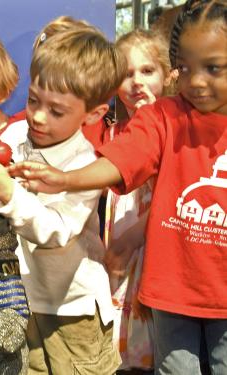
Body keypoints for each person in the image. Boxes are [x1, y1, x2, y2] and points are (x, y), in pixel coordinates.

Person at [8, 1, 227, 373]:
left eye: (213, 68)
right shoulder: (164, 117)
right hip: (173, 292)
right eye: (185, 69)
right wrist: (65, 179)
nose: (196, 82)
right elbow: (121, 160)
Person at [0, 28, 127, 374]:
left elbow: (56, 231)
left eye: (56, 111)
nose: (37, 116)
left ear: (92, 115)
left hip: (73, 310)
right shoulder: (15, 136)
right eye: (33, 101)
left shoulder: (85, 164)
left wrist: (9, 192)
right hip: (22, 302)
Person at [103, 28, 174, 372]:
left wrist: (132, 238)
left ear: (166, 74)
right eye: (126, 74)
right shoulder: (113, 131)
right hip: (118, 246)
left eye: (147, 71)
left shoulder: (172, 129)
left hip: (152, 247)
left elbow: (171, 195)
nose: (136, 82)